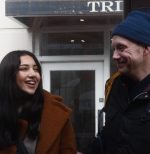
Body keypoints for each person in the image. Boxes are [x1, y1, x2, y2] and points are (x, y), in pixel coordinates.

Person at [0, 50, 77, 154]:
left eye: (36, 69)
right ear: (8, 74)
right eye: (24, 68)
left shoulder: (57, 113)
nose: (33, 74)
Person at [101, 9, 150, 154]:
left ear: (146, 49)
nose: (115, 56)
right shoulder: (114, 85)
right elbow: (107, 136)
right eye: (114, 48)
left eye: (121, 48)